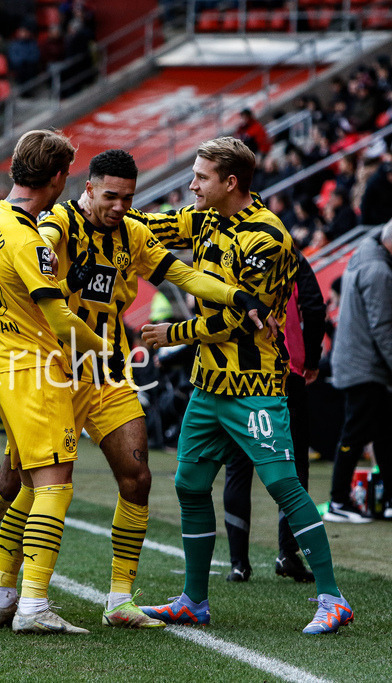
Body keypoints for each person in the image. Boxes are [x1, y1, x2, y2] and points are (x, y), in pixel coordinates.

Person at [0, 148, 270, 630]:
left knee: (136, 476)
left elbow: (179, 273)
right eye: (111, 196)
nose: (120, 206)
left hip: (107, 372)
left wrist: (233, 294)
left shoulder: (133, 234)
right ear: (88, 189)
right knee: (16, 482)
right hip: (55, 368)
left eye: (129, 198)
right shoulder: (55, 225)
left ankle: (119, 597)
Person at [137, 136, 353, 634]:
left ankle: (332, 597)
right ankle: (194, 599)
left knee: (282, 484)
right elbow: (150, 224)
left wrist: (175, 333)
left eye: (201, 177)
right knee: (190, 483)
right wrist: (89, 210)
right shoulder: (207, 216)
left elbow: (244, 318)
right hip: (208, 385)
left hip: (254, 383)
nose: (191, 185)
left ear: (230, 183)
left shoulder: (267, 237)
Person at [222, 252, 327, 583]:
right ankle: (288, 554)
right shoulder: (286, 250)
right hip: (284, 369)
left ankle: (239, 562)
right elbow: (314, 307)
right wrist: (311, 357)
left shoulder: (226, 247)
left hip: (237, 372)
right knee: (292, 465)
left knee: (238, 466)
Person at [323, 224, 392, 522]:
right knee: (356, 431)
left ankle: (388, 498)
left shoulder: (366, 256)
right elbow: (384, 328)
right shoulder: (379, 270)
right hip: (364, 366)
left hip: (358, 360)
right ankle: (338, 501)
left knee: (384, 434)